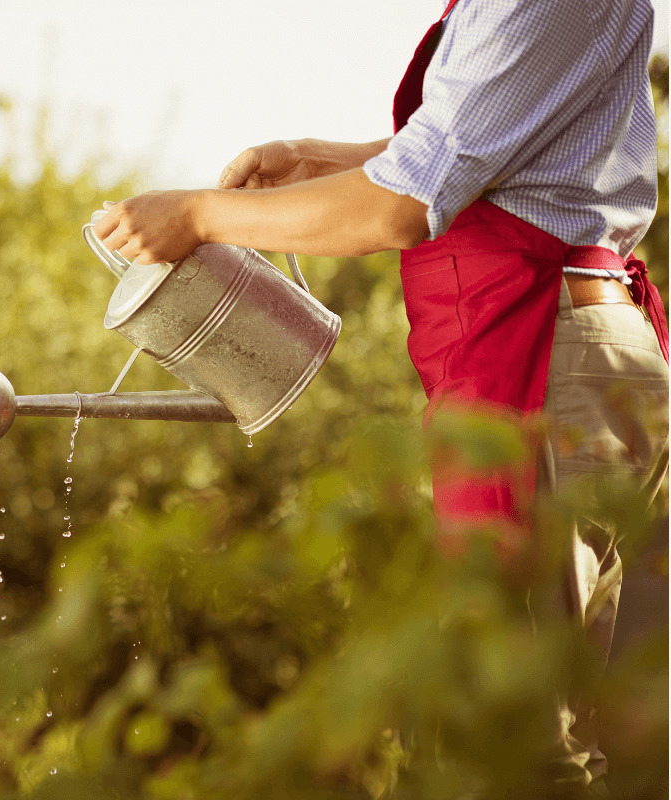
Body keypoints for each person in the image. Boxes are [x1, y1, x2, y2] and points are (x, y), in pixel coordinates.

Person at [93, 0, 668, 791]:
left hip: (540, 353)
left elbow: (404, 204)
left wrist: (199, 216)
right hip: (559, 352)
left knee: (505, 741)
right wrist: (317, 159)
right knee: (584, 735)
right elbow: (483, 139)